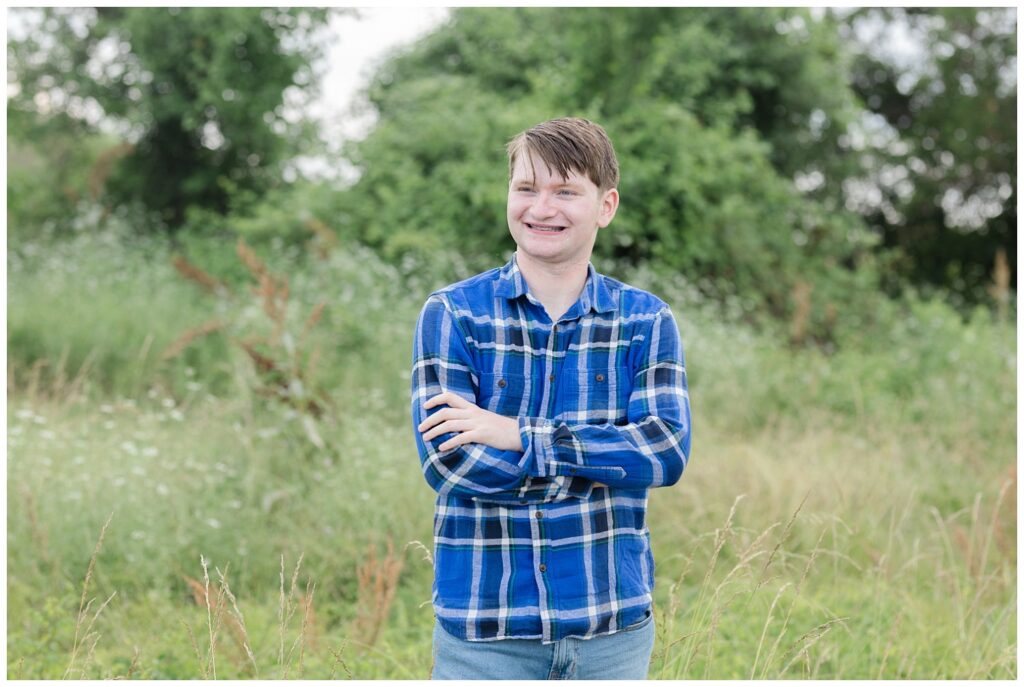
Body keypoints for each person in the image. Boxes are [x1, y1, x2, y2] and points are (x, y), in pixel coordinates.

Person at [410, 117, 692, 680]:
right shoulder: (453, 313)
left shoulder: (645, 319)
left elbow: (663, 453)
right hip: (485, 632)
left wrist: (517, 435)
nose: (542, 208)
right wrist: (604, 463)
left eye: (566, 191)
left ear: (605, 206)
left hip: (610, 628)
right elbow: (450, 463)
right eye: (526, 189)